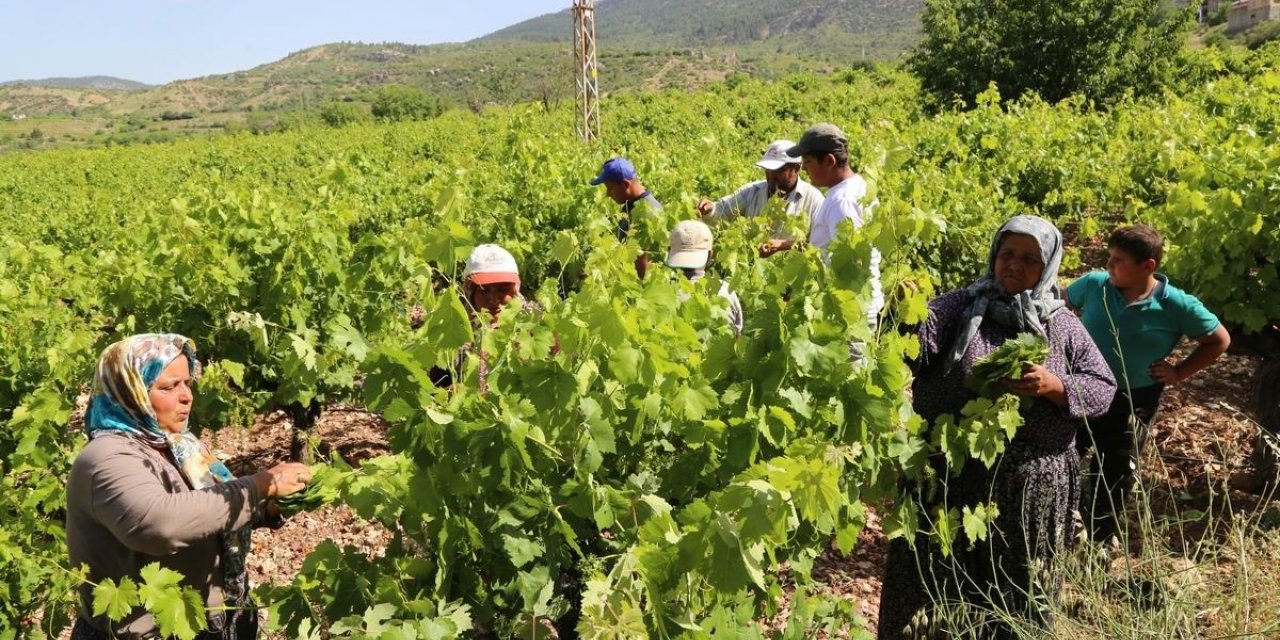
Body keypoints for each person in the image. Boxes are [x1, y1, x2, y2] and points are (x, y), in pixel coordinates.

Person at [877, 216, 1116, 640]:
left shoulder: (1061, 324)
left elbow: (1103, 387)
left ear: (1047, 267)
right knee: (932, 588)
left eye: (1028, 258)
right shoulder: (959, 307)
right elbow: (913, 342)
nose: (1014, 265)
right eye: (1007, 254)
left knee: (1014, 597)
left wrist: (1055, 385)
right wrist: (902, 308)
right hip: (947, 479)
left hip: (1027, 491)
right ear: (994, 256)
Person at [67, 334, 311, 640]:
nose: (187, 397)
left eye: (187, 383)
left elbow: (210, 508)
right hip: (150, 633)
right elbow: (159, 525)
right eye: (169, 387)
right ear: (130, 392)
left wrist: (271, 506)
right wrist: (258, 486)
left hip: (217, 620)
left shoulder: (181, 445)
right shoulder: (106, 457)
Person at [1066, 224, 1230, 542]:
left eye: (1119, 260)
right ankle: (1066, 520)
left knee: (1116, 466)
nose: (1109, 265)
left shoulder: (1176, 305)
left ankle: (1101, 536)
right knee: (1066, 452)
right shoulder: (1094, 285)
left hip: (1133, 397)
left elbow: (1219, 340)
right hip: (1080, 387)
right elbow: (1061, 306)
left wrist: (1179, 372)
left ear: (1148, 266)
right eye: (1109, 257)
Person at [787, 123, 884, 321]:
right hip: (855, 307)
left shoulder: (842, 202)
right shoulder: (858, 187)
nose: (803, 168)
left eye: (808, 161)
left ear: (829, 161)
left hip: (850, 312)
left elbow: (854, 263)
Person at [431, 244, 543, 392]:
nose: (493, 299)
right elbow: (433, 390)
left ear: (515, 289)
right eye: (484, 291)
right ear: (470, 291)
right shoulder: (455, 334)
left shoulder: (536, 324)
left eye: (503, 290)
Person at [695, 140, 824, 257]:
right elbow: (724, 210)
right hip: (752, 270)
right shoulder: (753, 191)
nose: (770, 175)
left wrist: (784, 245)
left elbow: (820, 246)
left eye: (777, 170)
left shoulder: (814, 200)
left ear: (796, 169)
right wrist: (711, 209)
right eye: (767, 170)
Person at [666, 219, 744, 335]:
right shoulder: (726, 291)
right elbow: (738, 337)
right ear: (710, 255)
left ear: (669, 252)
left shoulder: (665, 291)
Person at [590, 157, 662, 278]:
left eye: (610, 187)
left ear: (625, 184)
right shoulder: (633, 205)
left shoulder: (646, 213)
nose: (608, 194)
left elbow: (642, 268)